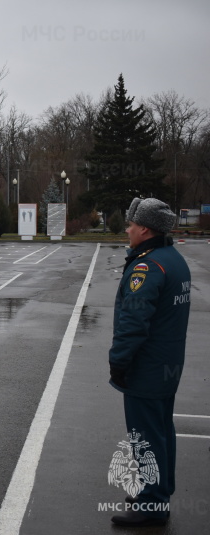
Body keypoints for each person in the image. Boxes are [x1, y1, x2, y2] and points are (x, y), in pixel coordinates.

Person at [108, 197, 191, 527]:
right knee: (161, 430)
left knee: (145, 435)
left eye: (130, 224)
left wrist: (119, 362)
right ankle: (157, 489)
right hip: (167, 365)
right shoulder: (173, 258)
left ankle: (152, 505)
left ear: (144, 229)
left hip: (148, 367)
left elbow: (134, 322)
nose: (127, 229)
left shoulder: (147, 266)